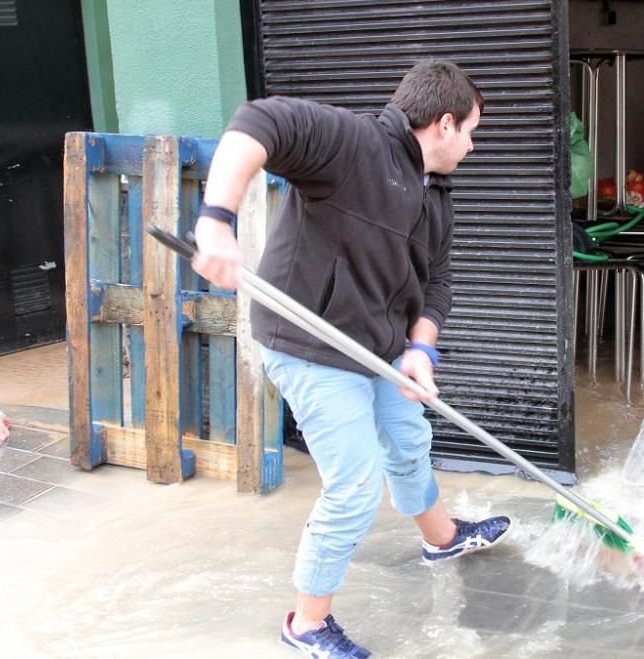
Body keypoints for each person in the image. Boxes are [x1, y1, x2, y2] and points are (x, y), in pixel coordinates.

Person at [191, 60, 512, 659]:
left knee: (409, 440)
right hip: (313, 346)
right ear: (444, 124)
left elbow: (437, 280)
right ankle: (307, 626)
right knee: (356, 484)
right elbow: (257, 122)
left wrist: (420, 348)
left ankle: (442, 539)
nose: (472, 146)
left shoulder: (435, 194)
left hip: (382, 346)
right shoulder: (355, 144)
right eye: (471, 132)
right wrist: (216, 221)